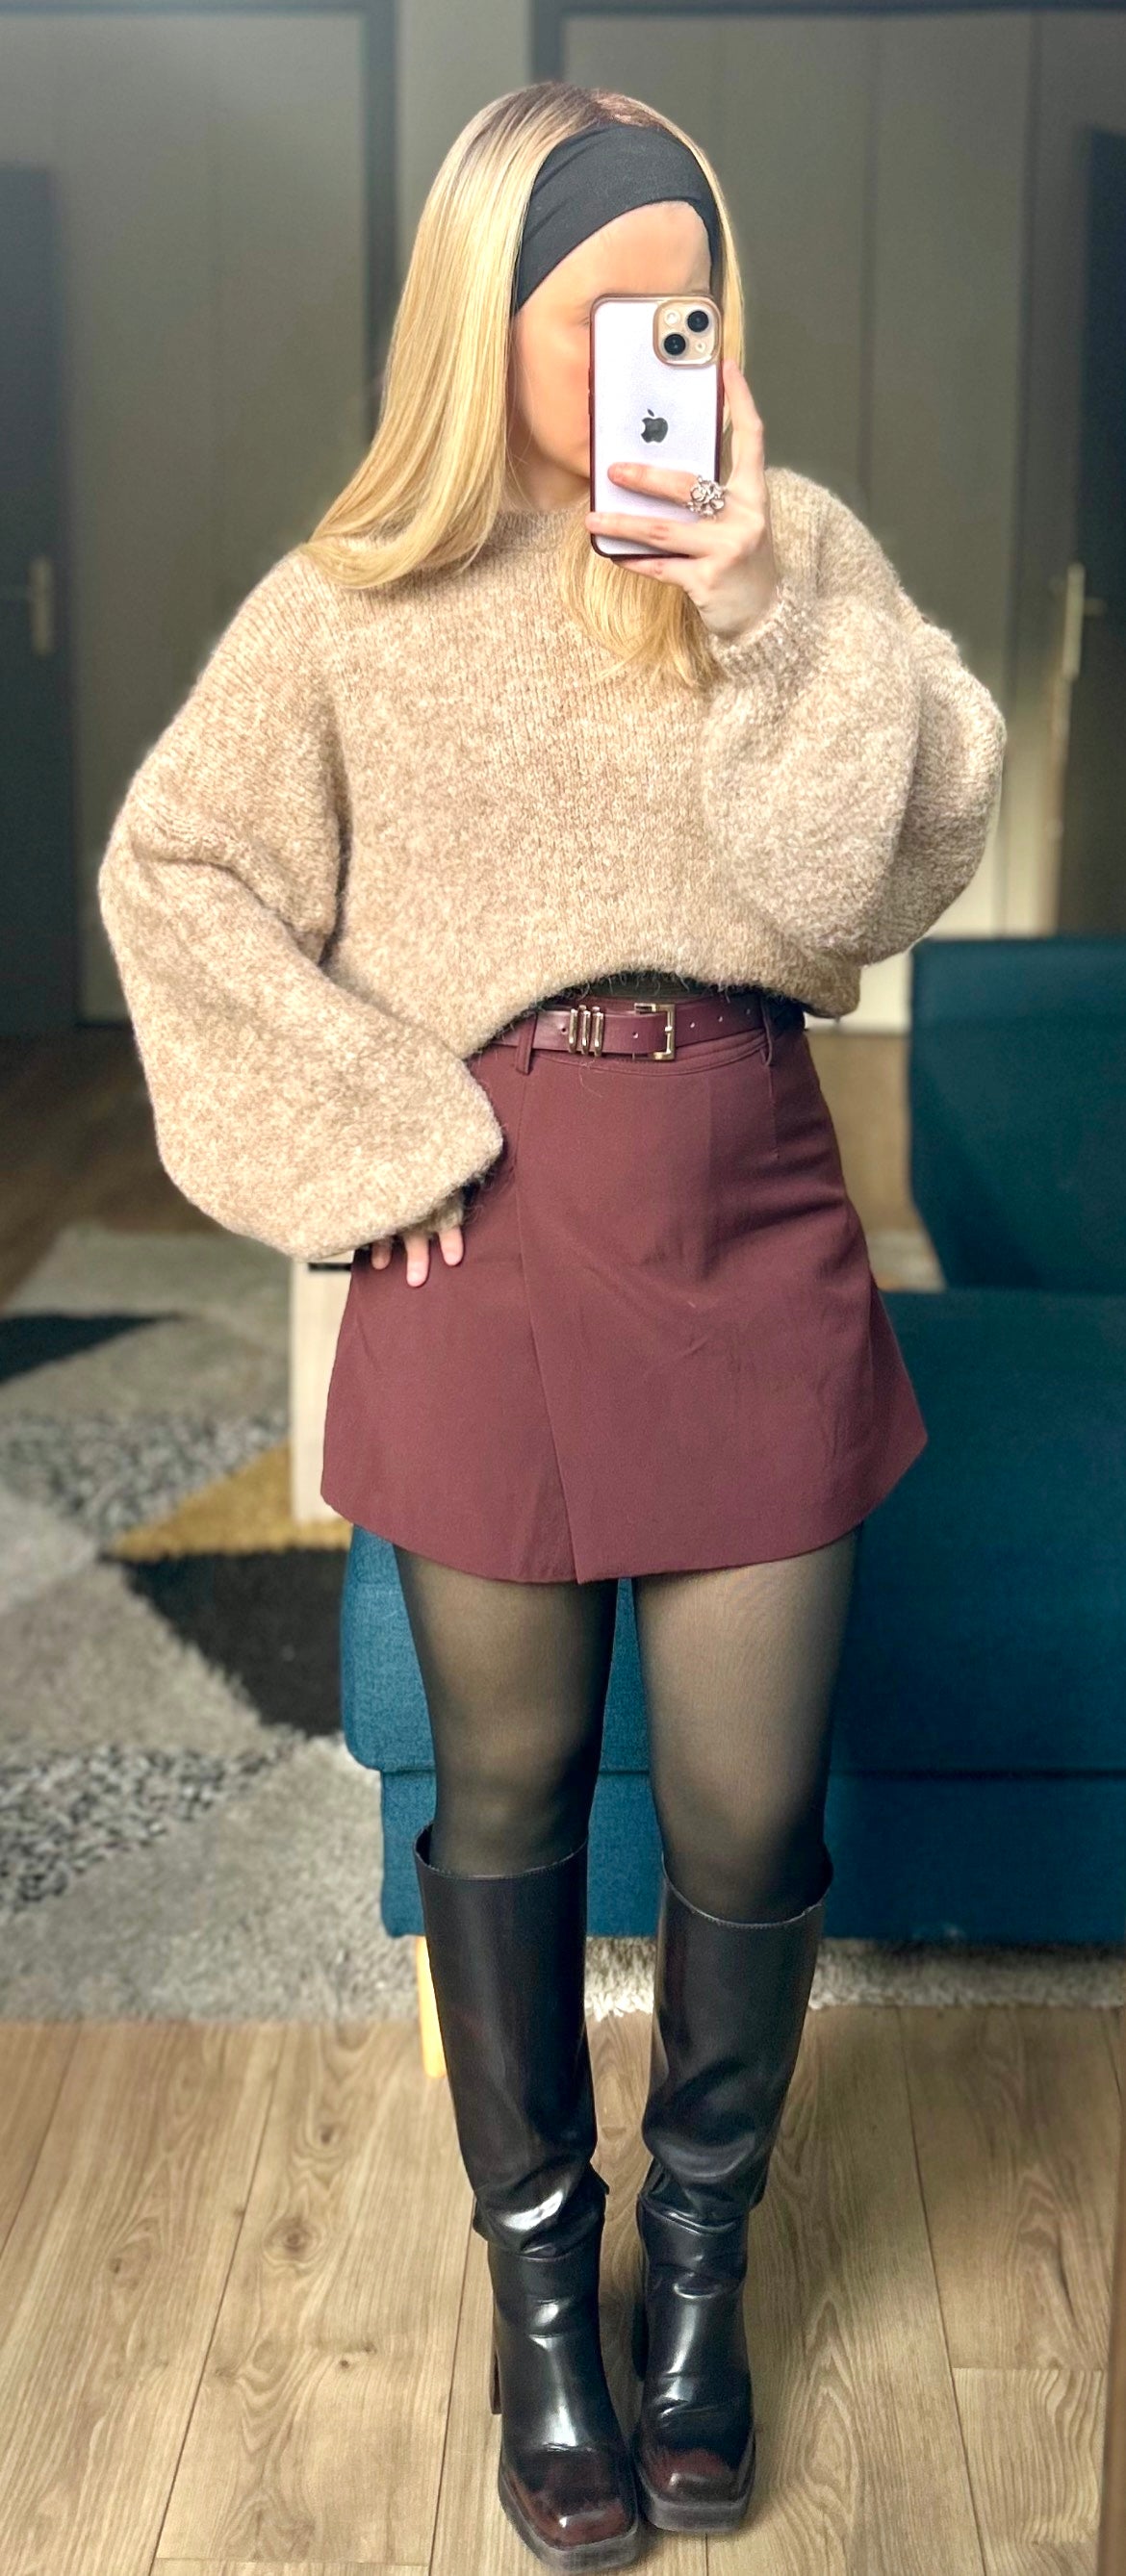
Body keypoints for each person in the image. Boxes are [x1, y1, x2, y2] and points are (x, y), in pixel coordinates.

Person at [98, 81, 1007, 2575]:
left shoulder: (791, 557)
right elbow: (180, 880)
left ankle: (696, 2283)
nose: (649, 353)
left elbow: (862, 876)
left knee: (746, 1816)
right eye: (595, 311)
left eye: (681, 308)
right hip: (485, 1230)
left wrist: (767, 601)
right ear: (474, 318)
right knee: (504, 1803)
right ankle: (542, 2309)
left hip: (749, 1200)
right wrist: (372, 1133)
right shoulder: (345, 610)